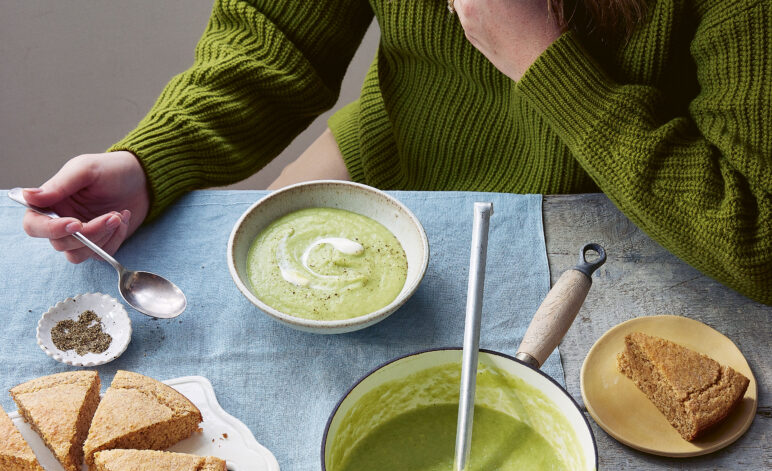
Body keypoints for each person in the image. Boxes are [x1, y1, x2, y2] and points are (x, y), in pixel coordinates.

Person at [22, 0, 772, 304]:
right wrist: (156, 159)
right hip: (387, 158)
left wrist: (547, 61)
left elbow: (757, 240)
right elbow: (275, 40)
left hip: (615, 214)